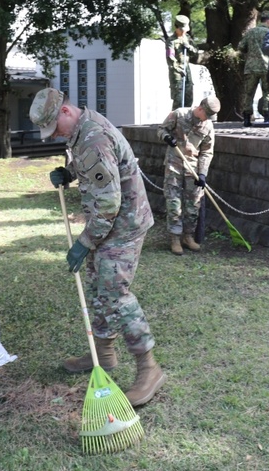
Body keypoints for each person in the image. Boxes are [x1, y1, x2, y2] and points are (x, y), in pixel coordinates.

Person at [29, 88, 166, 406]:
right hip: (107, 227)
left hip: (122, 227)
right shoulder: (81, 130)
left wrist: (84, 243)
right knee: (96, 287)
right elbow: (99, 168)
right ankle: (103, 356)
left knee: (115, 294)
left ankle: (150, 368)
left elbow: (109, 202)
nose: (53, 137)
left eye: (54, 128)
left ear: (65, 112)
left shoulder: (92, 137)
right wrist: (70, 172)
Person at [157, 96, 219, 254]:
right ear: (200, 109)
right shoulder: (179, 115)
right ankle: (175, 238)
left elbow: (207, 152)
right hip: (174, 165)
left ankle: (188, 236)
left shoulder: (208, 126)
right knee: (174, 203)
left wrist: (203, 173)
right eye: (207, 115)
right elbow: (161, 129)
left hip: (193, 168)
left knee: (193, 205)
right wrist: (167, 137)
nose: (207, 120)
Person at [237, 12, 269, 127]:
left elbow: (241, 47)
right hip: (266, 66)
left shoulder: (250, 32)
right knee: (267, 92)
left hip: (251, 67)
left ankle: (247, 119)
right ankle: (267, 117)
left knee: (248, 94)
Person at [167, 15, 198, 110]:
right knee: (179, 99)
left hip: (187, 70)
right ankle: (175, 121)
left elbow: (195, 51)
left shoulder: (187, 38)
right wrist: (178, 69)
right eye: (182, 29)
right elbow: (170, 57)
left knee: (189, 98)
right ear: (177, 27)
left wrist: (189, 47)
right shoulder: (171, 41)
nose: (184, 31)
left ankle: (186, 120)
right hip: (177, 73)